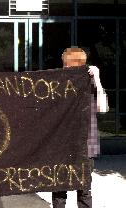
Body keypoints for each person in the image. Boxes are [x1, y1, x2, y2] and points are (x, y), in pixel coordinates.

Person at [51, 47, 108, 208]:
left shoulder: (89, 83)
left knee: (83, 190)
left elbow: (102, 108)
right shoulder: (58, 84)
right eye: (66, 65)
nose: (66, 68)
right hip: (61, 146)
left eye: (69, 65)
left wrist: (96, 78)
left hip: (85, 145)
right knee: (59, 190)